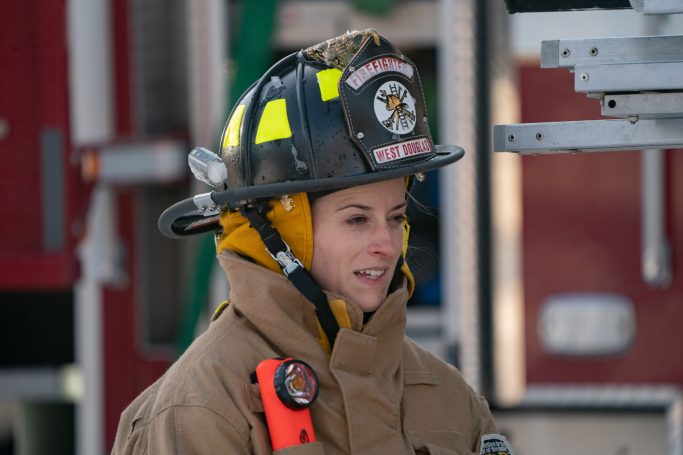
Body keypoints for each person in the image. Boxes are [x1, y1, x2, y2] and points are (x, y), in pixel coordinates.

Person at [112, 29, 511, 455]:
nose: (386, 244)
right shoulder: (205, 403)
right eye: (357, 219)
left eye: (395, 218)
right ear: (280, 230)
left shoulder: (448, 397)